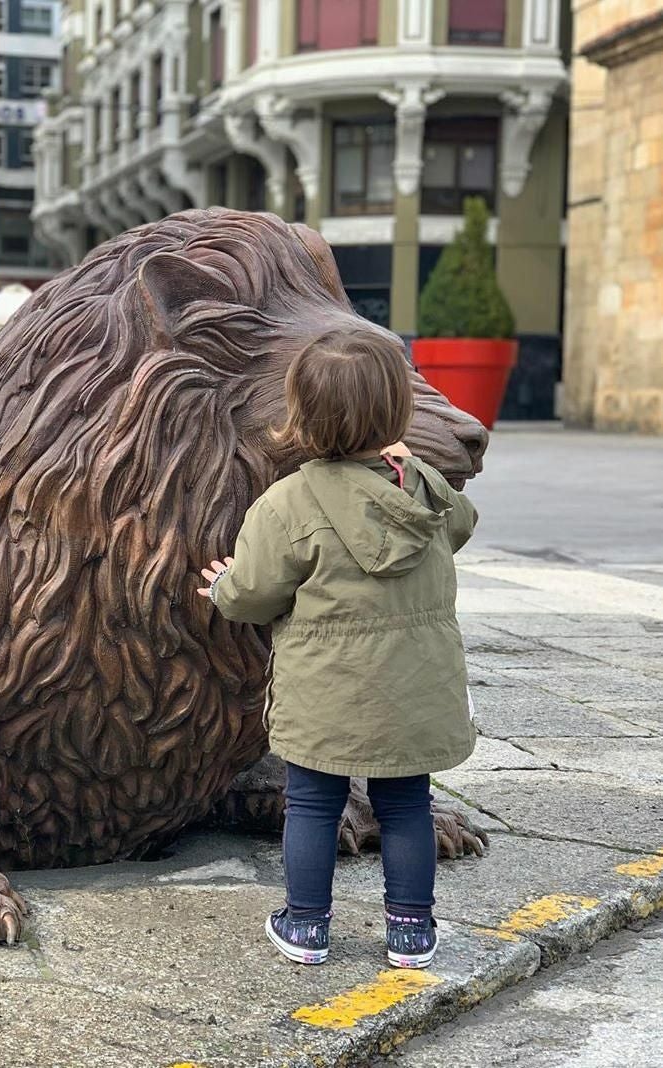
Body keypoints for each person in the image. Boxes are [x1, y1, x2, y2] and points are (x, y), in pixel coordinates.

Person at [196, 325, 477, 970]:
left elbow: (255, 594)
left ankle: (305, 927)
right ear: (396, 412)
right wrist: (412, 471)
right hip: (415, 694)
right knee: (407, 805)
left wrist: (222, 588)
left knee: (314, 806)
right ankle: (410, 932)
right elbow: (459, 527)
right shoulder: (426, 487)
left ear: (301, 415)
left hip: (326, 694)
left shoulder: (289, 502)